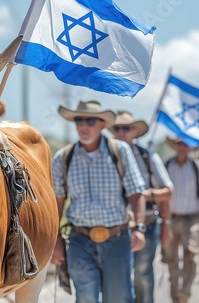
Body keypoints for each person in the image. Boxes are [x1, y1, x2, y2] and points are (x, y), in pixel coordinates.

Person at [50, 100, 147, 303]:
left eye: (90, 121)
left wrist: (138, 228)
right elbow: (57, 202)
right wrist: (55, 240)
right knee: (85, 298)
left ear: (102, 124)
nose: (84, 126)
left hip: (117, 239)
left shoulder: (119, 152)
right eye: (79, 120)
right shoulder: (63, 158)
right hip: (79, 240)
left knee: (119, 298)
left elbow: (136, 193)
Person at [110, 110, 173, 303]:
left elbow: (168, 191)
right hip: (115, 226)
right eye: (117, 128)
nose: (121, 132)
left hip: (147, 222)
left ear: (134, 132)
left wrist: (145, 195)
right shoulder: (105, 156)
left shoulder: (147, 156)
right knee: (117, 276)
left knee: (142, 274)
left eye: (125, 128)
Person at [162, 136, 199, 303]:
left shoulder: (198, 167)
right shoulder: (167, 166)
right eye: (179, 144)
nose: (182, 147)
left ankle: (185, 292)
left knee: (190, 253)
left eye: (185, 144)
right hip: (171, 218)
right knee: (171, 257)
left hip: (192, 218)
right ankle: (175, 293)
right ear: (175, 146)